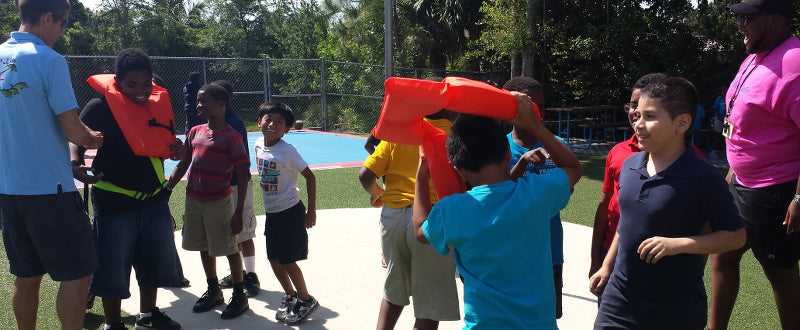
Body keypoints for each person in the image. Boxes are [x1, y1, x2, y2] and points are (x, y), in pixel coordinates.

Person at [412, 92, 583, 329]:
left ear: (459, 170)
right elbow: (573, 167)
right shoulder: (538, 193)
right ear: (507, 155)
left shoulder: (452, 210)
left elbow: (420, 230)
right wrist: (533, 126)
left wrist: (421, 177)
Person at [589, 77, 746, 329]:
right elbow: (626, 224)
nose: (638, 124)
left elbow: (736, 237)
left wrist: (677, 244)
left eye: (650, 116)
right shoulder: (630, 166)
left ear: (682, 122)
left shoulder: (703, 177)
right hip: (618, 302)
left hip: (675, 309)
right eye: (637, 114)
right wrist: (606, 266)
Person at [0, 0, 103, 328]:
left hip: (8, 191)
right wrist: (93, 138)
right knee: (77, 272)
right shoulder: (49, 60)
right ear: (47, 18)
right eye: (61, 24)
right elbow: (72, 128)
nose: (62, 31)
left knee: (26, 276)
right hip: (51, 191)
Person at [70, 48, 184, 330]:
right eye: (131, 85)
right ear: (118, 81)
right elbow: (76, 137)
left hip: (154, 199)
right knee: (112, 266)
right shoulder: (99, 107)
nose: (140, 91)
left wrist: (179, 150)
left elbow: (167, 145)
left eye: (146, 84)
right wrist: (74, 162)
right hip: (114, 202)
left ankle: (147, 316)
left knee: (153, 262)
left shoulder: (155, 106)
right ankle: (113, 323)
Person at [711, 1, 800, 329]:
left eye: (747, 18)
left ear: (776, 20)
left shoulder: (794, 62)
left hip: (775, 189)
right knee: (723, 254)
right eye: (738, 17)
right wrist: (733, 169)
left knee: (780, 273)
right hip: (741, 183)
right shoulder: (755, 54)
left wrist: (799, 198)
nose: (740, 25)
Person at [359, 110, 460, 330]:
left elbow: (365, 174)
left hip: (393, 217)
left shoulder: (402, 132)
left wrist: (377, 193)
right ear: (449, 108)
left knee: (394, 290)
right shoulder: (456, 134)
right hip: (431, 220)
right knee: (430, 304)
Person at [167, 83, 250, 320]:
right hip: (194, 200)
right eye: (197, 101)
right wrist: (168, 188)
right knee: (203, 245)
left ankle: (238, 294)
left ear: (222, 105)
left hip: (219, 202)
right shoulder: (195, 132)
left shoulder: (232, 137)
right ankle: (214, 290)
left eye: (204, 101)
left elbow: (243, 175)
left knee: (229, 248)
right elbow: (184, 164)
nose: (199, 105)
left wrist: (238, 211)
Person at [503, 76, 567, 319]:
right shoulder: (500, 148)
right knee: (513, 316)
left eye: (541, 104)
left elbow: (568, 186)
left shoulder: (557, 145)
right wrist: (521, 164)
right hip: (513, 251)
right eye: (531, 104)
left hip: (550, 248)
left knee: (549, 315)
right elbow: (494, 195)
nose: (538, 111)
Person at [254, 102, 320, 325]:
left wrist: (311, 211)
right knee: (273, 259)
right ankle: (290, 295)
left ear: (287, 129)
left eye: (279, 122)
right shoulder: (257, 145)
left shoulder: (287, 151)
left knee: (288, 260)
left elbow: (310, 177)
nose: (272, 124)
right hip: (272, 213)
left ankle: (306, 299)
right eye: (268, 119)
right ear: (259, 121)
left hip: (290, 213)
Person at [208, 80, 261, 297]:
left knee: (244, 231)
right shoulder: (210, 122)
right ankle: (237, 271)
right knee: (231, 232)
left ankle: (250, 274)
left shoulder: (234, 122)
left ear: (228, 100)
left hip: (238, 184)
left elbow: (236, 159)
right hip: (222, 185)